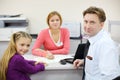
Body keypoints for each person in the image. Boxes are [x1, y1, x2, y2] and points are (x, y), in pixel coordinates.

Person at [73, 6, 120, 80]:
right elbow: (96, 57)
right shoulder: (93, 38)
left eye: (92, 22)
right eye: (86, 21)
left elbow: (110, 77)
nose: (87, 26)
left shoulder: (105, 44)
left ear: (101, 25)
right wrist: (85, 61)